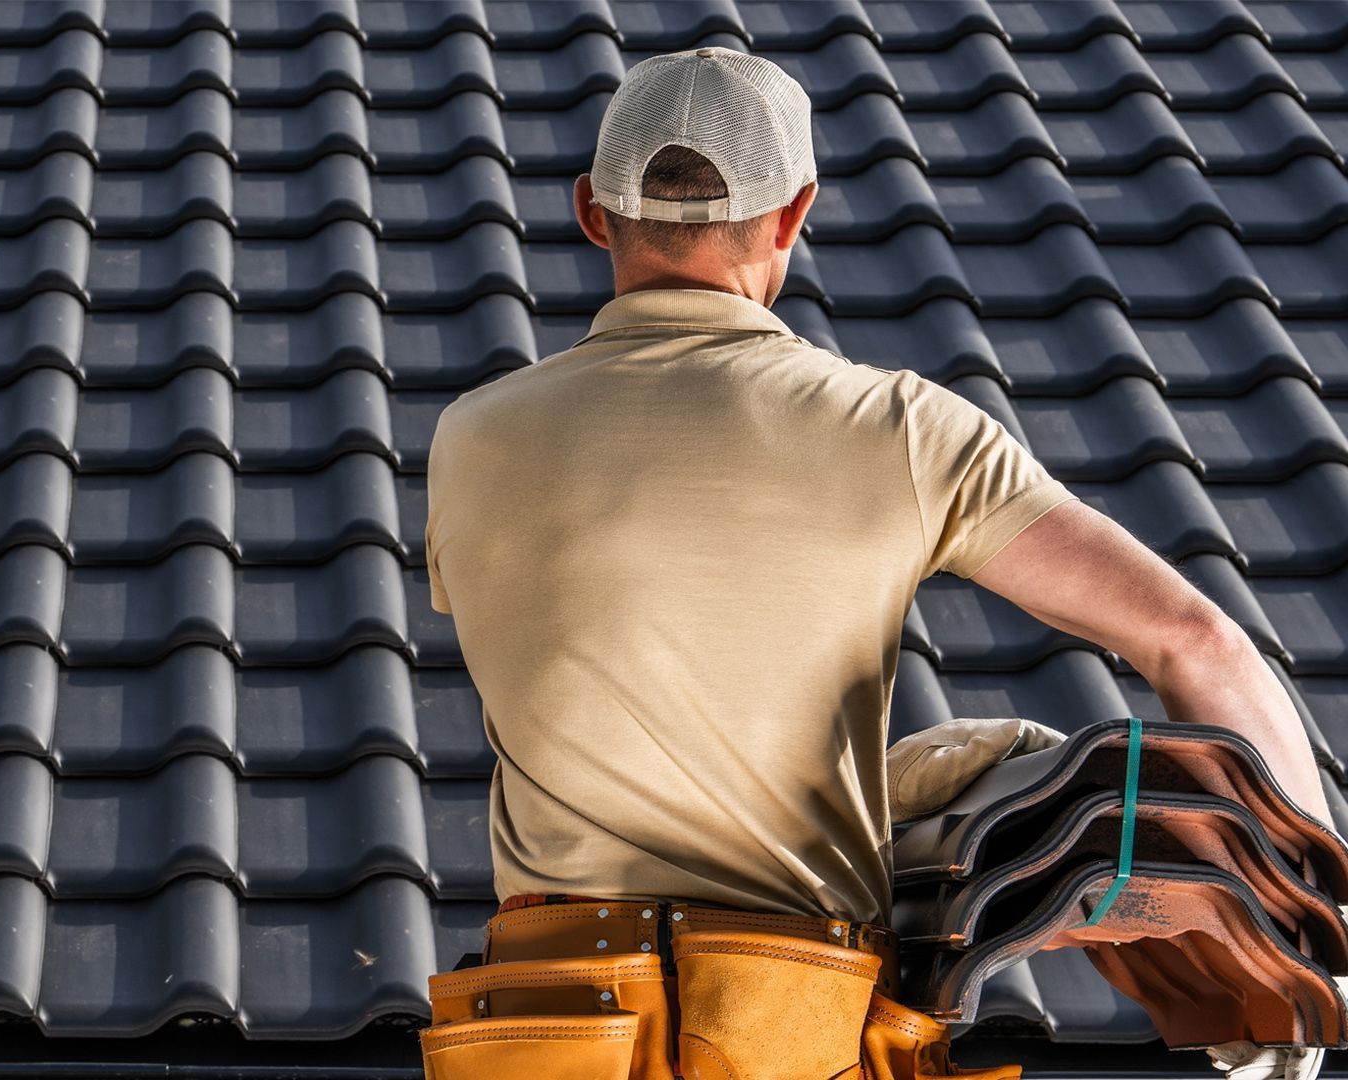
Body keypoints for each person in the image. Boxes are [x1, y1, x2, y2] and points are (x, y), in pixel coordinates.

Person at [418, 46, 1335, 1080]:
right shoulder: (899, 430)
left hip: (544, 1038)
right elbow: (1194, 640)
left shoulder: (472, 439)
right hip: (783, 1030)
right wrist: (1308, 955)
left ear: (591, 212)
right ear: (794, 215)